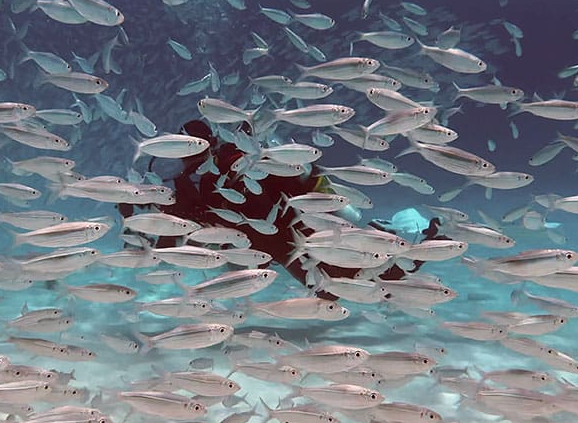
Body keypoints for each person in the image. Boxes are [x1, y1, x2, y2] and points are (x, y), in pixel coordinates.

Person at [119, 119, 449, 300]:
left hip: (298, 228)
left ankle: (422, 243)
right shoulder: (192, 182)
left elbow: (290, 178)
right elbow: (185, 222)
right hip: (270, 245)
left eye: (190, 149)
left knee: (364, 279)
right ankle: (397, 248)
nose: (187, 158)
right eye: (182, 152)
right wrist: (139, 215)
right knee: (330, 294)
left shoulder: (237, 159)